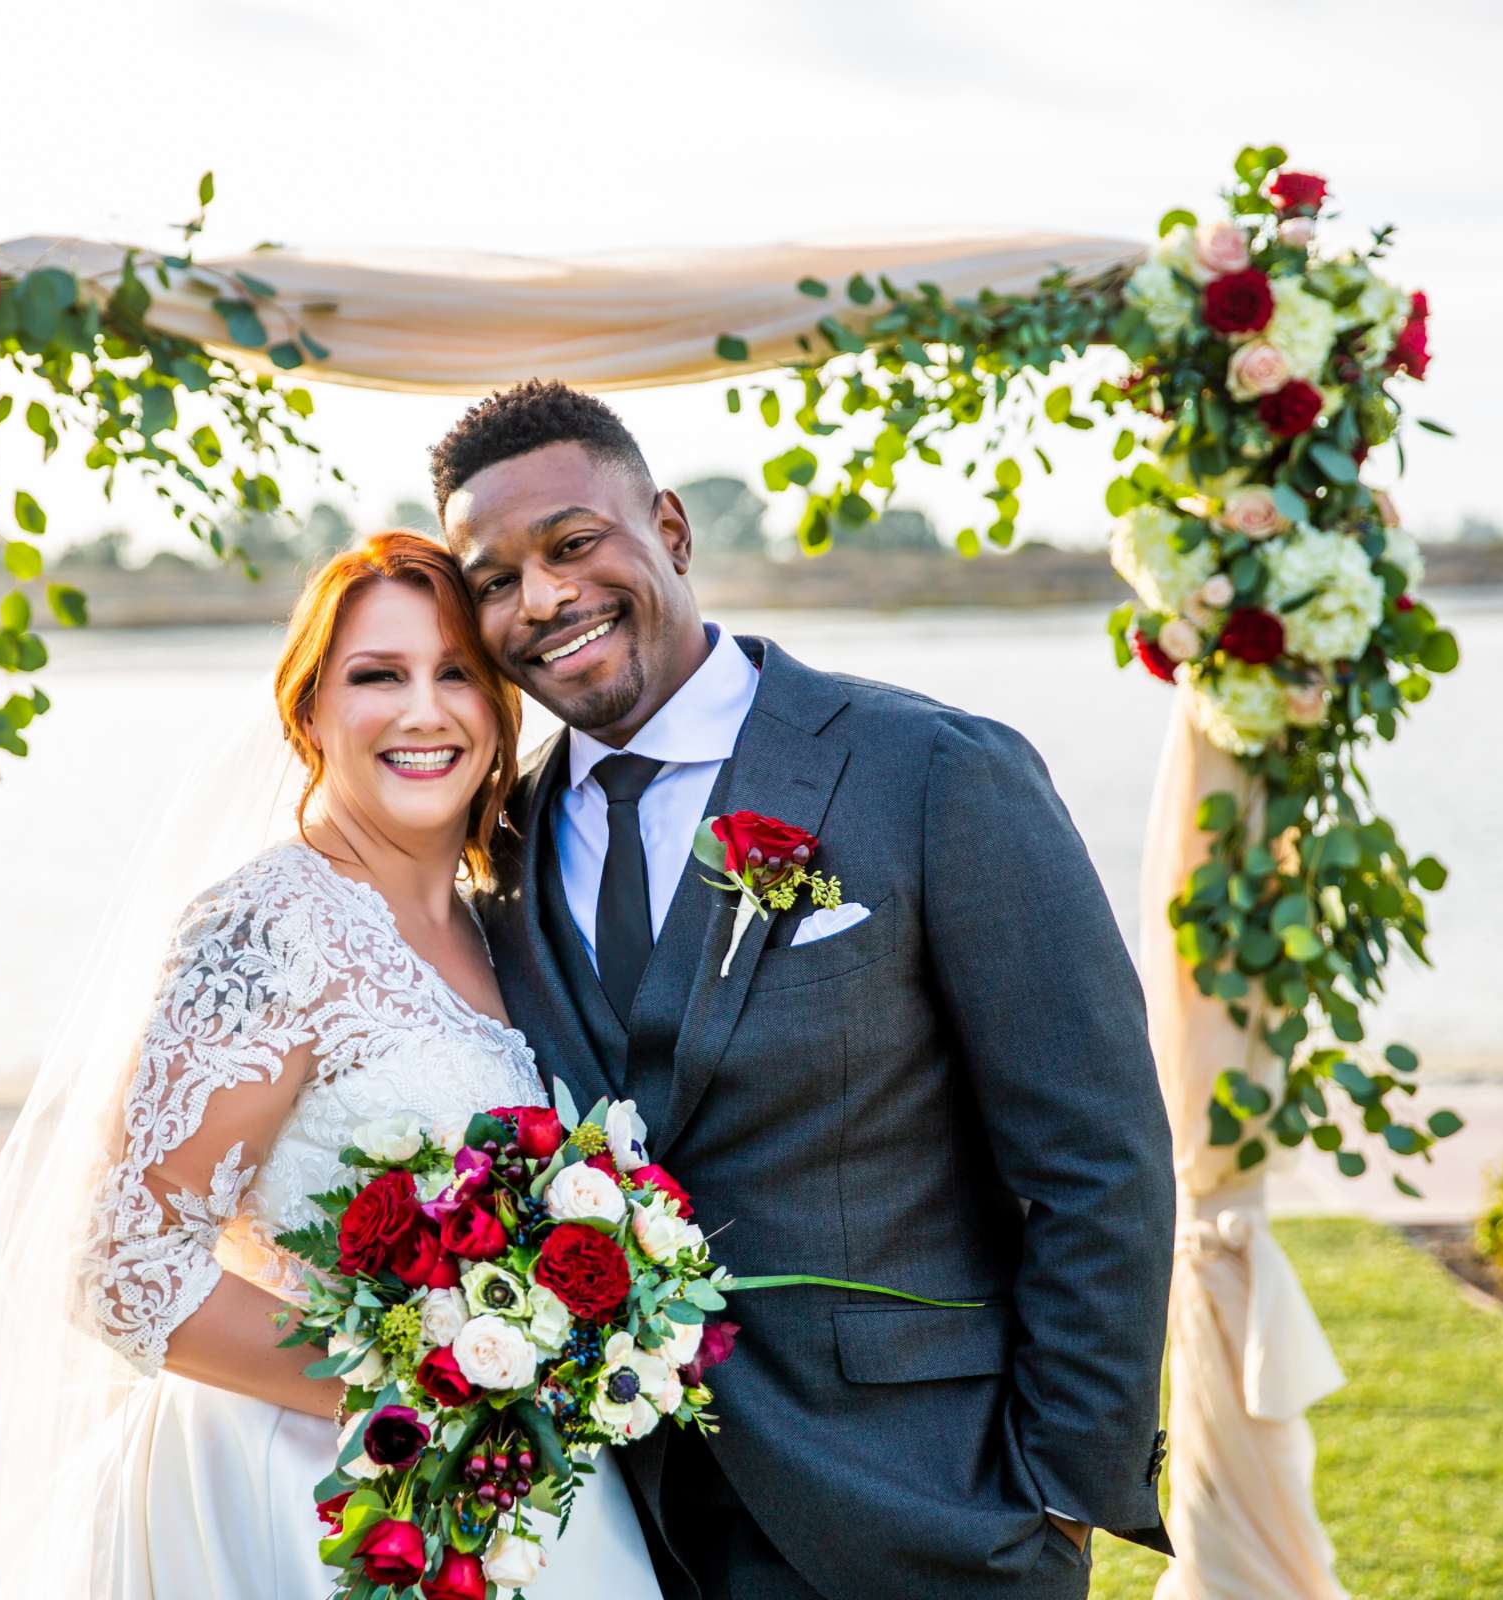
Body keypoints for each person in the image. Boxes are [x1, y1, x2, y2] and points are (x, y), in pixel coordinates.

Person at [437, 380, 1176, 1599]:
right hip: (623, 1531)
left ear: (670, 529)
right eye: (495, 581)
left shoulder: (932, 771)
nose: (546, 599)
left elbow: (1098, 1161)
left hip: (928, 1509)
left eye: (574, 544)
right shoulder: (494, 839)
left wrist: (1058, 1482)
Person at [0, 532, 665, 1598]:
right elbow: (122, 1267)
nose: (423, 710)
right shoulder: (268, 929)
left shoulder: (505, 926)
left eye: (456, 674)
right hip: (300, 1495)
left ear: (500, 709)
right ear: (307, 715)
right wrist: (434, 1385)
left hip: (509, 1488)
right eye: (376, 676)